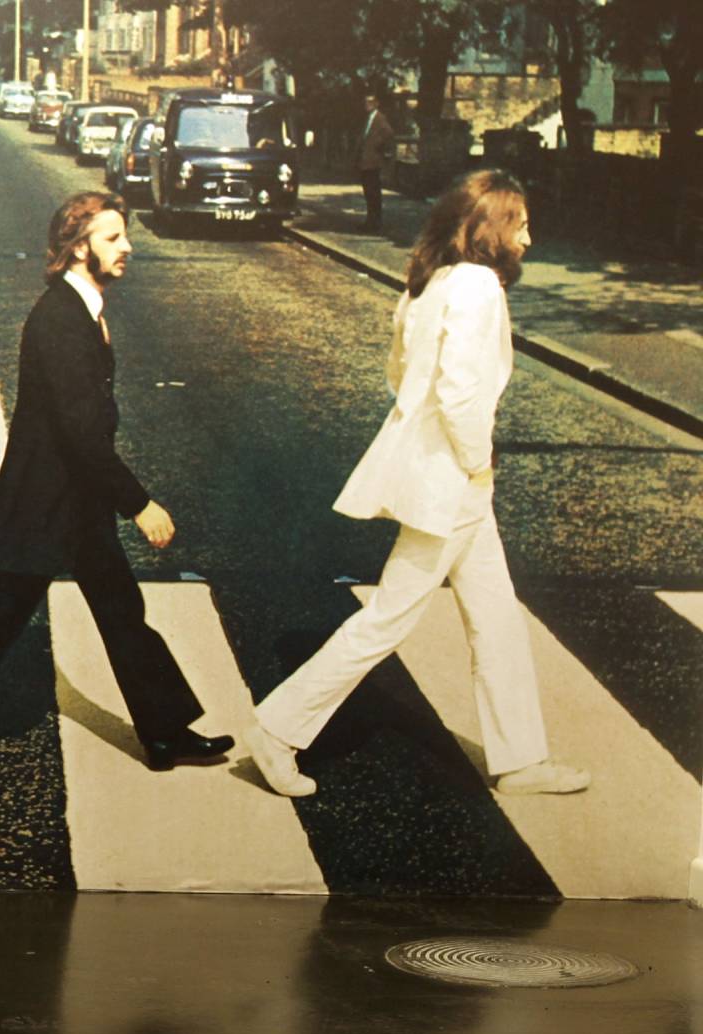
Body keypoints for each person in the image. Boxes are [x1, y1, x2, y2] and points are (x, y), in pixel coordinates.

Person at [245, 170, 590, 800]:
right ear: (489, 229)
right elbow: (459, 394)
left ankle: (520, 760)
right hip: (454, 483)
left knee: (495, 617)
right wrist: (476, 462)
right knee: (387, 618)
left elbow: (399, 372)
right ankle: (278, 728)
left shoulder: (430, 283)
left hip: (444, 478)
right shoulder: (481, 286)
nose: (529, 240)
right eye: (520, 225)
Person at [0, 191, 231, 782]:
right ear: (78, 248)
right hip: (49, 503)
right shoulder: (61, 319)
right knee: (0, 620)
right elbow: (80, 435)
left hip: (77, 501)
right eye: (113, 237)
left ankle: (166, 732)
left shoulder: (83, 307)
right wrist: (140, 503)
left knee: (123, 611)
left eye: (124, 236)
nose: (127, 248)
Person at [359, 91, 397, 232]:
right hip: (366, 163)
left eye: (369, 102)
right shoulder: (368, 118)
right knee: (369, 195)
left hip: (374, 164)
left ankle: (376, 223)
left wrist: (384, 157)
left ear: (376, 104)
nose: (366, 105)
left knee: (374, 195)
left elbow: (389, 137)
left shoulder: (380, 120)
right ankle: (370, 221)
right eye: (365, 102)